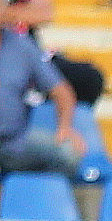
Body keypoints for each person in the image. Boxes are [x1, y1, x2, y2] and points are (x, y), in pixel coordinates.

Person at [0, 12, 85, 174]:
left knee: (67, 153)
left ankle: (39, 196)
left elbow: (61, 91)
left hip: (13, 140)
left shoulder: (22, 46)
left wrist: (65, 127)